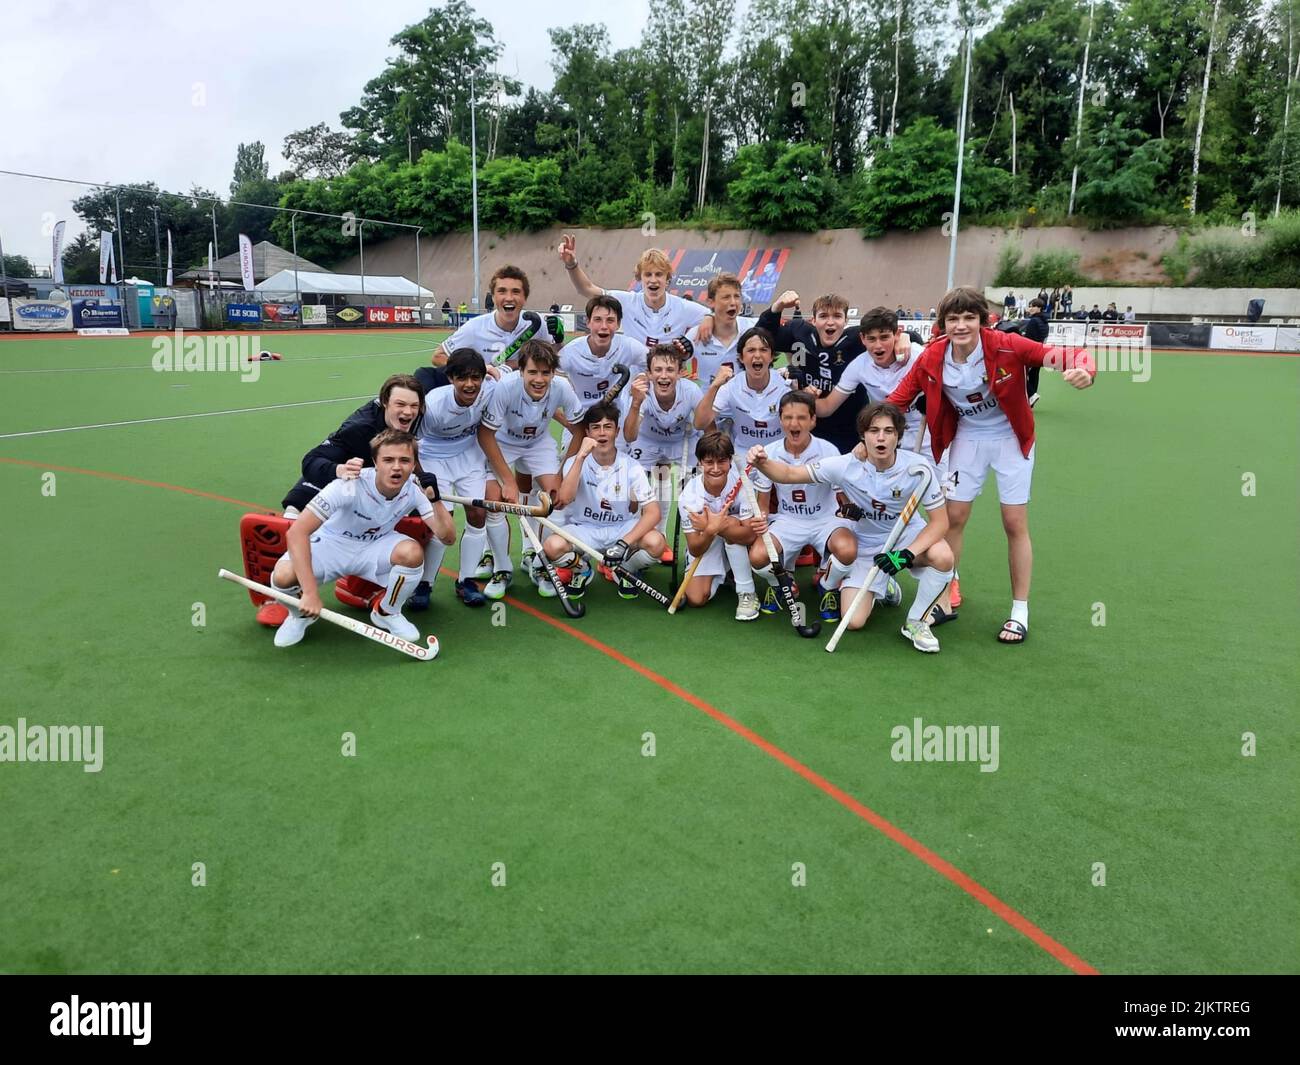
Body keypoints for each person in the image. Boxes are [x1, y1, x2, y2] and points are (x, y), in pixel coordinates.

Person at [887, 285, 1096, 644]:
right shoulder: (932, 357)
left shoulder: (1006, 345)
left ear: (984, 321)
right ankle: (944, 595)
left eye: (969, 317)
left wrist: (1085, 371)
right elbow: (896, 400)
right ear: (943, 324)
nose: (961, 325)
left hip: (1011, 439)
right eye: (953, 318)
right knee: (953, 518)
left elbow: (1071, 355)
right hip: (967, 438)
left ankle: (1019, 611)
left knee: (1014, 522)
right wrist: (871, 436)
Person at [749, 403, 953, 652]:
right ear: (862, 435)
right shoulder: (844, 465)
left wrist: (906, 554)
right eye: (874, 430)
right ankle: (885, 584)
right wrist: (761, 462)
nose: (881, 437)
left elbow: (940, 523)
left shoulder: (918, 469)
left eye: (888, 431)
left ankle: (916, 622)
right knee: (854, 621)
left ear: (898, 436)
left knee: (942, 556)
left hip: (905, 535)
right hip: (865, 542)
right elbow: (790, 474)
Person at [269, 430, 456, 648]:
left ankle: (387, 612)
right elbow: (297, 532)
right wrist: (310, 593)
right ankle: (300, 616)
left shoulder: (415, 489)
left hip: (374, 546)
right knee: (283, 577)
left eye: (405, 460)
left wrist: (436, 500)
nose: (397, 467)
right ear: (375, 462)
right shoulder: (347, 485)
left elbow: (448, 538)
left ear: (414, 463)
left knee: (412, 553)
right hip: (332, 544)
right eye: (388, 460)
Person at [477, 340, 581, 599]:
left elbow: (579, 431)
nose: (539, 379)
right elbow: (486, 435)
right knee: (493, 501)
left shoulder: (562, 388)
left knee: (554, 498)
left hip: (538, 443)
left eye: (546, 373)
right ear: (521, 371)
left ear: (553, 373)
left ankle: (539, 563)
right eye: (533, 372)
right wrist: (507, 480)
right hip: (503, 442)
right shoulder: (505, 387)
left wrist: (560, 471)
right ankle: (502, 568)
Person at [747, 392, 862, 622]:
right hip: (788, 521)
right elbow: (763, 505)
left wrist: (850, 512)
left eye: (801, 417)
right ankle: (782, 583)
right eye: (788, 417)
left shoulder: (828, 450)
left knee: (848, 550)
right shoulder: (769, 453)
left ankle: (827, 586)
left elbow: (842, 497)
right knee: (758, 557)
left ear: (813, 420)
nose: (794, 424)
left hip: (825, 519)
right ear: (780, 420)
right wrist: (759, 518)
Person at [540, 403, 665, 600]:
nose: (602, 433)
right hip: (585, 528)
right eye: (596, 427)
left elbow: (653, 512)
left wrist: (625, 543)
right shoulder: (575, 462)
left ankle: (625, 570)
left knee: (656, 543)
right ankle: (581, 570)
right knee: (552, 547)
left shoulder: (632, 466)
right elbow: (564, 498)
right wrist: (581, 456)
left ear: (617, 431)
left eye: (607, 427)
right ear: (587, 432)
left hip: (621, 528)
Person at [280, 373, 432, 519]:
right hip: (334, 481)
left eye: (414, 406)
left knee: (422, 518)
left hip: (374, 484)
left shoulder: (417, 416)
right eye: (400, 404)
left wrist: (421, 478)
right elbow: (311, 461)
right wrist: (340, 470)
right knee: (294, 515)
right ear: (385, 402)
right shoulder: (360, 429)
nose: (408, 411)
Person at [413, 349, 499, 608]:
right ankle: (424, 584)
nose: (470, 384)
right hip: (433, 458)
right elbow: (412, 444)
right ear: (450, 378)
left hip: (469, 455)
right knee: (443, 521)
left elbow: (515, 381)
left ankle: (466, 581)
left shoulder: (491, 390)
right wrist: (421, 475)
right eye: (462, 378)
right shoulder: (434, 405)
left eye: (476, 378)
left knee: (477, 514)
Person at [558, 235, 713, 351]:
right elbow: (586, 289)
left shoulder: (682, 307)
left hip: (667, 383)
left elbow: (715, 315)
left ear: (667, 279)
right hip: (634, 385)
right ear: (640, 278)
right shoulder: (627, 301)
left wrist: (709, 317)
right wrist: (571, 264)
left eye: (659, 274)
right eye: (648, 274)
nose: (653, 280)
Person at [758, 290, 865, 453]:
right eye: (823, 316)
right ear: (813, 320)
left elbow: (894, 336)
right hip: (812, 428)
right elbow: (761, 337)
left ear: (846, 321)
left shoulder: (858, 339)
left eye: (837, 316)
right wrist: (776, 307)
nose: (830, 322)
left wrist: (904, 339)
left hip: (852, 430)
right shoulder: (800, 333)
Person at [676, 430, 764, 620]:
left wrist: (719, 525)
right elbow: (695, 549)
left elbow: (749, 535)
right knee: (696, 599)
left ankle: (746, 592)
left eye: (721, 461)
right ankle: (727, 569)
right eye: (709, 462)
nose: (716, 468)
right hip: (706, 540)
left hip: (736, 538)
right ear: (699, 463)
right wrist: (711, 529)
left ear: (730, 461)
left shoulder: (743, 483)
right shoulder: (688, 497)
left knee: (732, 525)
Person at [623, 344, 704, 548]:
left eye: (670, 370)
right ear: (649, 374)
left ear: (680, 373)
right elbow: (630, 435)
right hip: (647, 439)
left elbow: (707, 426)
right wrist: (635, 403)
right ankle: (631, 541)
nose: (664, 376)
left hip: (681, 439)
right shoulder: (641, 392)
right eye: (658, 370)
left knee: (696, 489)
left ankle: (662, 538)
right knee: (633, 494)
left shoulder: (691, 391)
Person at [808, 307, 923, 450]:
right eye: (871, 339)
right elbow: (827, 407)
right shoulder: (859, 365)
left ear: (897, 334)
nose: (878, 345)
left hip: (926, 435)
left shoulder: (918, 355)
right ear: (863, 339)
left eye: (884, 337)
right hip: (888, 438)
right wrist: (804, 397)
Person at [433, 266, 561, 370]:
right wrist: (476, 370)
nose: (509, 298)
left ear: (525, 298)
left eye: (516, 292)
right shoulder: (474, 328)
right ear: (493, 297)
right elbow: (438, 356)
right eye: (502, 291)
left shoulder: (538, 324)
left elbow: (556, 357)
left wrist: (559, 340)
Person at [695, 326, 791, 454]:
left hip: (779, 454)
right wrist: (714, 386)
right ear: (741, 358)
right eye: (751, 350)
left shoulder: (786, 384)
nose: (757, 355)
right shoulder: (731, 387)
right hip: (743, 456)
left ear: (772, 356)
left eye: (763, 350)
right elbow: (700, 423)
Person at [686, 272, 757, 386]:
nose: (733, 302)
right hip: (709, 400)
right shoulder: (696, 333)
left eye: (737, 296)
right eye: (726, 297)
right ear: (711, 302)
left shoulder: (752, 327)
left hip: (744, 401)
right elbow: (673, 364)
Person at [1019, 297, 1049, 408]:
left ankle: (1031, 395)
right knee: (1034, 375)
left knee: (1020, 374)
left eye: (1032, 306)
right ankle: (1031, 399)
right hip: (1041, 352)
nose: (1030, 308)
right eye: (1030, 306)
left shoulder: (1033, 321)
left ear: (1039, 308)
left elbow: (1028, 340)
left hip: (1031, 353)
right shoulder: (1045, 321)